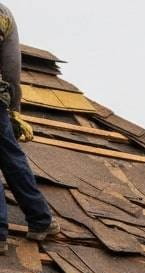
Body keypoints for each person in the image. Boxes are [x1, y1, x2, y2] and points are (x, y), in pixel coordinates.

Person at [0, 4, 58, 254]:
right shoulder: (3, 12)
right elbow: (12, 65)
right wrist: (14, 108)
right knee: (11, 157)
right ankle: (41, 220)